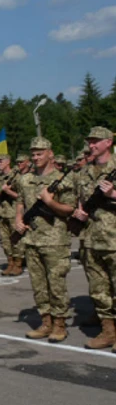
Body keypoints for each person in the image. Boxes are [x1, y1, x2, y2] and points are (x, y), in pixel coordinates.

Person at [16, 136, 76, 342]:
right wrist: (18, 219)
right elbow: (20, 202)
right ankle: (45, 322)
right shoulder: (25, 179)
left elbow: (69, 208)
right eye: (33, 153)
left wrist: (50, 203)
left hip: (55, 239)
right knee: (38, 284)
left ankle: (60, 324)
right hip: (31, 239)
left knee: (56, 284)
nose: (36, 157)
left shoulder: (63, 179)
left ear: (50, 153)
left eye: (40, 153)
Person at [71, 127, 116, 349]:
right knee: (99, 290)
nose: (92, 145)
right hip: (91, 239)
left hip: (114, 239)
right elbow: (81, 200)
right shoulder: (84, 172)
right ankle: (108, 332)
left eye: (96, 141)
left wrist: (113, 195)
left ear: (108, 142)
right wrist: (79, 212)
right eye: (90, 141)